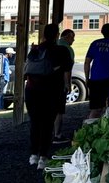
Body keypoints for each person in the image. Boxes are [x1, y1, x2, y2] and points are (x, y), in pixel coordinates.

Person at [24, 24, 71, 169]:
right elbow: (67, 70)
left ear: (44, 35)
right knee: (47, 123)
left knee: (35, 122)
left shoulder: (35, 49)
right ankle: (43, 157)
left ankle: (33, 155)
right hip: (51, 91)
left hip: (32, 90)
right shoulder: (62, 50)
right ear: (57, 35)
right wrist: (67, 85)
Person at [53, 28, 77, 141]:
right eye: (72, 37)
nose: (73, 40)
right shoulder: (67, 49)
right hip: (59, 82)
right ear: (67, 37)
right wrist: (68, 84)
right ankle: (57, 134)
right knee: (59, 110)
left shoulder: (51, 46)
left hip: (45, 83)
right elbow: (68, 69)